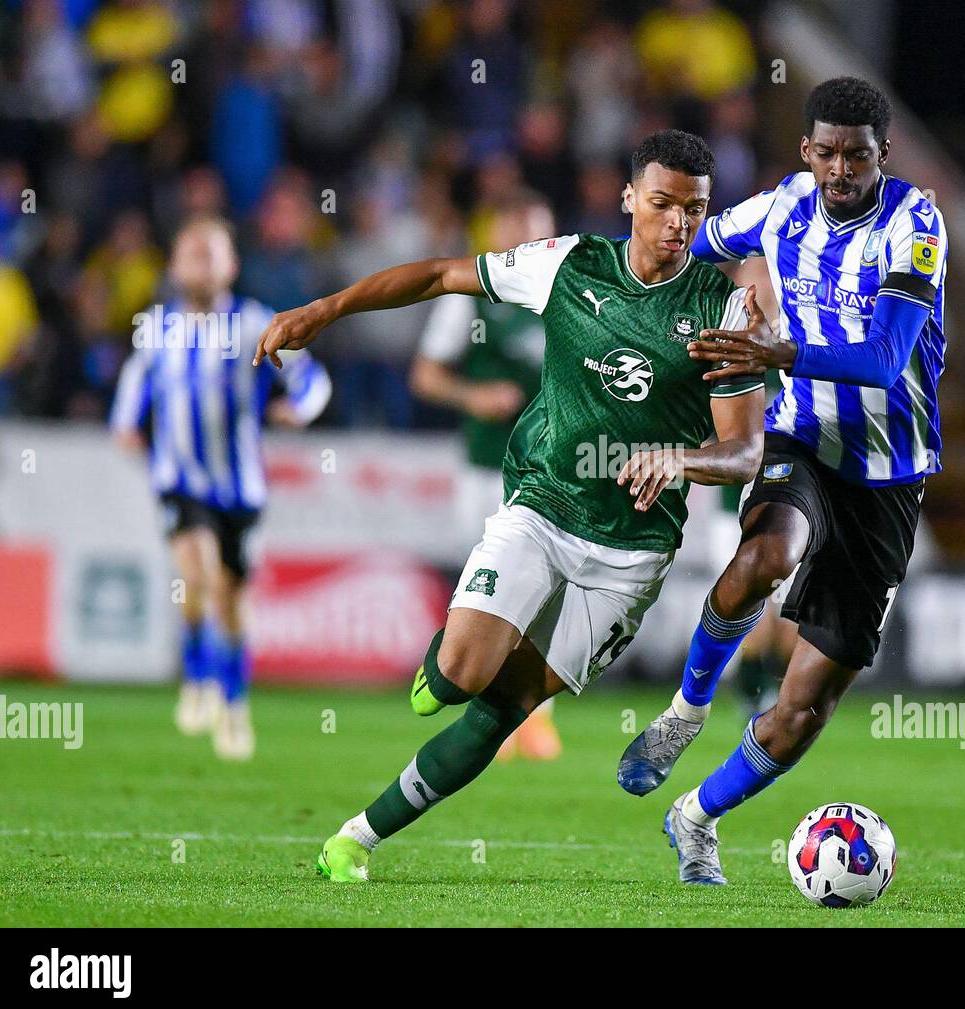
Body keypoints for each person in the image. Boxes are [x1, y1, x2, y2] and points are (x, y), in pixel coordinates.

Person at [253, 130, 767, 883]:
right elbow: (437, 276)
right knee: (462, 672)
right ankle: (445, 666)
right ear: (629, 199)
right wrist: (323, 311)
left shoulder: (723, 309)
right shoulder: (569, 264)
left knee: (506, 709)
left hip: (630, 556)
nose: (677, 223)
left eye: (693, 209)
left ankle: (354, 840)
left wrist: (678, 459)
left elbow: (745, 452)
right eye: (661, 203)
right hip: (543, 504)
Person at [617, 78, 950, 885]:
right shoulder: (778, 208)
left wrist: (777, 352)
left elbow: (881, 359)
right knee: (767, 554)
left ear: (884, 156)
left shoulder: (916, 223)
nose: (841, 169)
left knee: (803, 710)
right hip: (797, 437)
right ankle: (685, 712)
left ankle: (695, 817)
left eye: (858, 155)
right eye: (828, 152)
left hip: (885, 477)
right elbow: (682, 246)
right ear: (808, 151)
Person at [110, 215, 331, 760]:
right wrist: (125, 425)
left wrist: (299, 409)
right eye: (191, 253)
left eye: (212, 253)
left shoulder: (256, 322)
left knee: (231, 598)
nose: (200, 264)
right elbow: (136, 382)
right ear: (174, 264)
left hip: (239, 488)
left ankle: (232, 704)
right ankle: (197, 675)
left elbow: (312, 380)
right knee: (195, 572)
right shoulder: (157, 327)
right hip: (179, 480)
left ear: (231, 264)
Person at [411, 188, 561, 761]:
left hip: (554, 471)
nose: (533, 246)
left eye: (542, 236)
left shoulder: (571, 297)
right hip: (486, 467)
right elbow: (424, 375)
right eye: (522, 233)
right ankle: (485, 713)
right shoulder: (471, 298)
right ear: (498, 234)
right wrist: (473, 396)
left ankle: (534, 716)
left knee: (547, 594)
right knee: (492, 593)